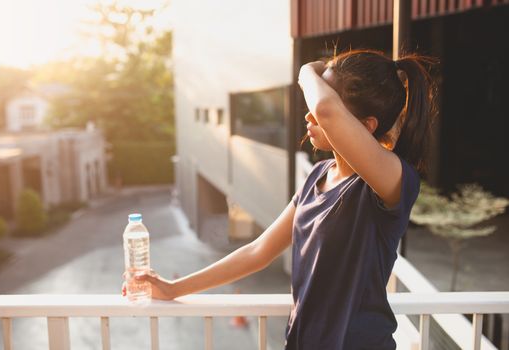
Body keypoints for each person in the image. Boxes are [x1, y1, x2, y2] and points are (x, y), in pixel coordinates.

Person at [123, 49, 437, 349]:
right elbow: (258, 251)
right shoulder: (318, 175)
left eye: (322, 101)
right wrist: (173, 288)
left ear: (366, 126)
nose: (310, 114)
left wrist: (306, 71)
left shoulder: (393, 179)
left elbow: (326, 110)